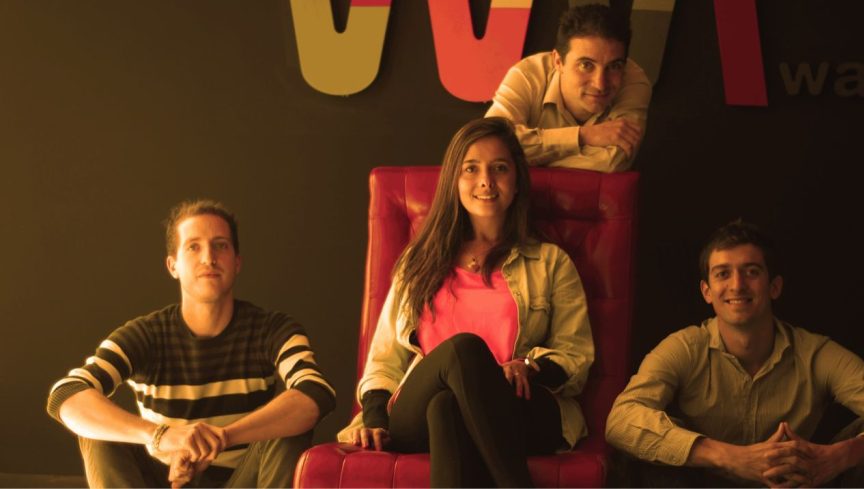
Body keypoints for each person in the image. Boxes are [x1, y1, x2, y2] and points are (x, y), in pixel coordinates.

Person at [336, 117, 594, 487]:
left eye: (499, 168)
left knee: (448, 408)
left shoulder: (550, 262)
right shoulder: (419, 262)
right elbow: (384, 357)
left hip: (518, 405)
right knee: (462, 352)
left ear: (517, 180)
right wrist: (374, 418)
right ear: (453, 181)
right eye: (471, 169)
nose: (486, 180)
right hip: (416, 415)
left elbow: (575, 354)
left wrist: (530, 366)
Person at [605, 220, 864, 487]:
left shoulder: (816, 353)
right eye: (723, 273)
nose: (737, 286)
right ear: (707, 291)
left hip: (797, 484)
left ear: (774, 286)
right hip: (705, 485)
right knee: (649, 447)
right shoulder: (684, 348)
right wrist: (731, 457)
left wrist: (834, 458)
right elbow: (621, 420)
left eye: (751, 272)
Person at [46, 200, 336, 488]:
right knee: (98, 431)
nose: (208, 258)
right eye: (193, 247)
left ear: (237, 262)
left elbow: (315, 391)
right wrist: (163, 437)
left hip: (243, 481)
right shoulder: (145, 335)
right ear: (173, 265)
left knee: (291, 425)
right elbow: (67, 393)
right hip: (164, 481)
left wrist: (221, 438)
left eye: (220, 245)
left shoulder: (271, 330)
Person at [485, 4, 651, 173]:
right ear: (558, 62)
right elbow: (490, 144)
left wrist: (523, 158)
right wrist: (583, 136)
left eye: (614, 66)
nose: (600, 84)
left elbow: (613, 162)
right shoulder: (527, 75)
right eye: (586, 65)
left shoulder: (634, 81)